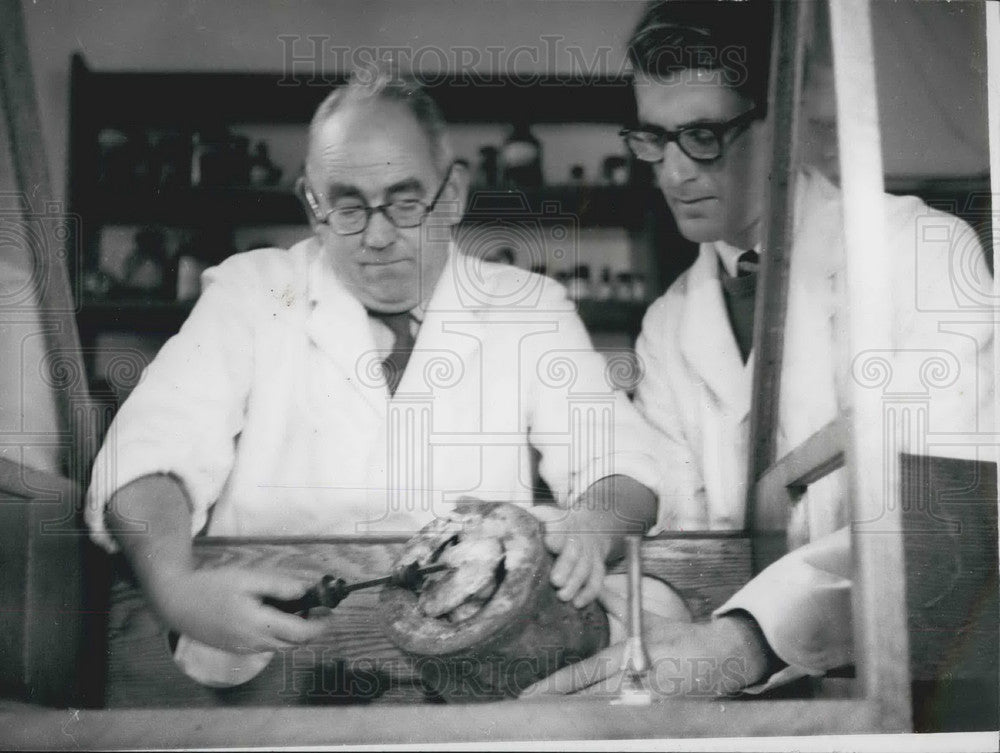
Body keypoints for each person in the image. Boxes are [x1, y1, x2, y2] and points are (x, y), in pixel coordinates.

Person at [85, 70, 669, 688]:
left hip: (474, 673)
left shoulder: (529, 307)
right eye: (347, 205)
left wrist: (594, 523)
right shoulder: (252, 293)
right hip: (272, 677)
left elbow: (622, 463)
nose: (378, 235)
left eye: (405, 200)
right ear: (312, 205)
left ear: (452, 195)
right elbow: (148, 451)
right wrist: (176, 588)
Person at [523, 0, 993, 698]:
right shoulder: (670, 321)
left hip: (923, 695)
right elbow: (684, 539)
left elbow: (945, 531)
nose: (676, 172)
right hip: (751, 703)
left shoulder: (920, 255)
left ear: (780, 122)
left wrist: (743, 639)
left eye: (704, 135)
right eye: (655, 138)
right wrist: (638, 645)